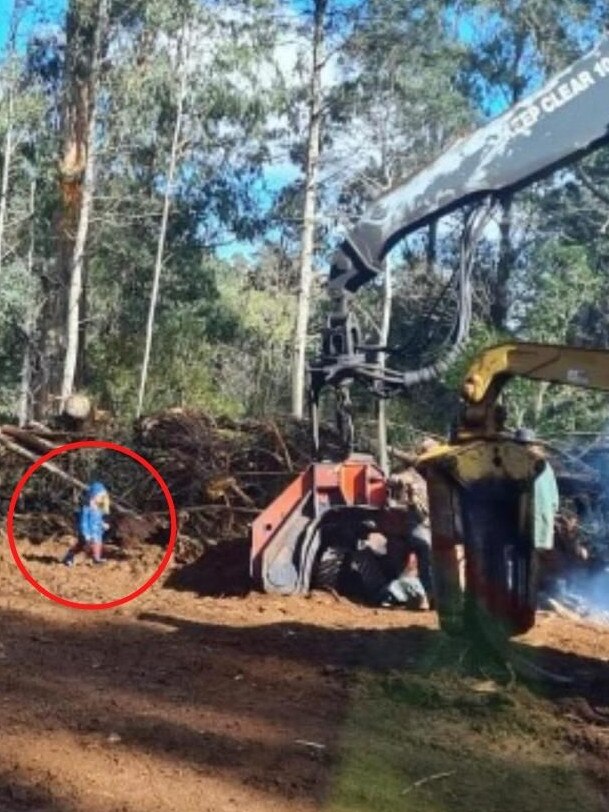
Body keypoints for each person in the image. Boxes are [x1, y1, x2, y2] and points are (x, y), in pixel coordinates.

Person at [61, 481, 110, 567]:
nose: (102, 499)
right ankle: (69, 556)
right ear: (93, 496)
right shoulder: (86, 509)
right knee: (80, 546)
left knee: (97, 544)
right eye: (100, 496)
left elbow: (98, 520)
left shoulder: (98, 510)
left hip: (96, 532)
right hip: (87, 533)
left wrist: (103, 524)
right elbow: (84, 522)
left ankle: (96, 559)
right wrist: (86, 534)